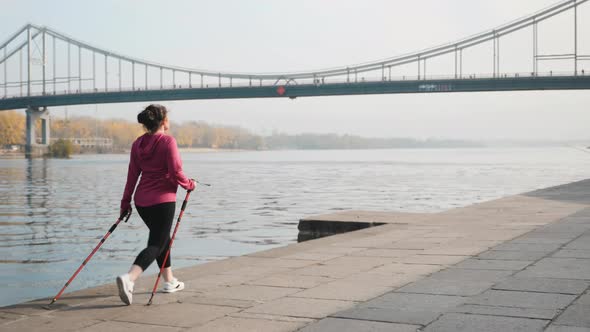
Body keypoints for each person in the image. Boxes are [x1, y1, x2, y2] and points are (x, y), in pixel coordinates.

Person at [116, 104, 195, 305]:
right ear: (164, 121)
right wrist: (189, 184)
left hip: (142, 202)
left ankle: (169, 281)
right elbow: (176, 172)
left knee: (162, 238)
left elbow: (132, 175)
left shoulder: (137, 144)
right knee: (157, 243)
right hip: (163, 201)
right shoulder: (168, 142)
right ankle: (130, 278)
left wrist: (125, 202)